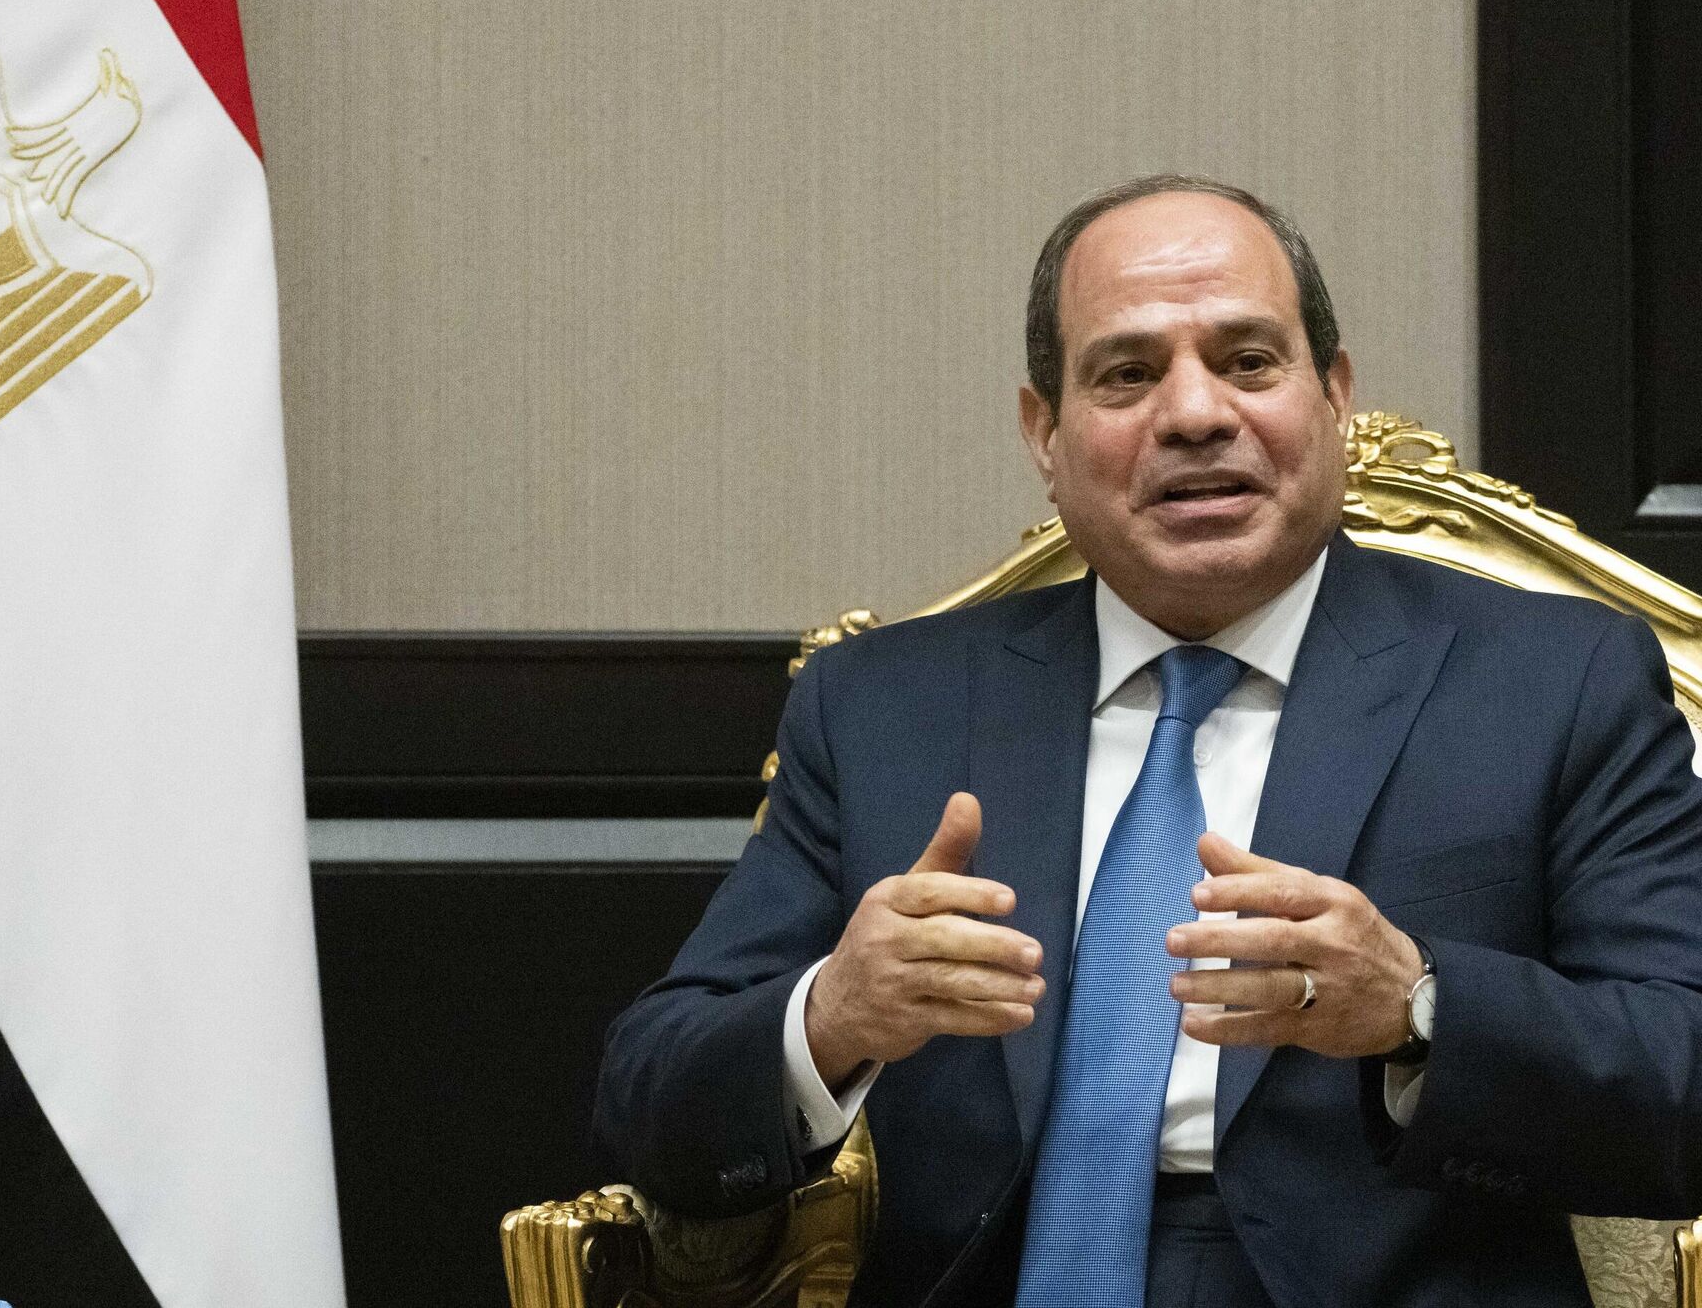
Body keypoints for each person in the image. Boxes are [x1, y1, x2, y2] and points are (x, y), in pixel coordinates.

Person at [593, 174, 1702, 1307]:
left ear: (1333, 394)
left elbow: (1684, 1075)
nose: (1194, 413)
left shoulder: (1553, 681)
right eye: (1127, 374)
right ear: (1045, 432)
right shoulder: (885, 704)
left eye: (1249, 361)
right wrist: (833, 1016)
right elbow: (650, 1094)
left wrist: (1421, 1008)